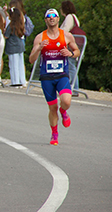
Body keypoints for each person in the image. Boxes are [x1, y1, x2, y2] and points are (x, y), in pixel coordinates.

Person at [29, 9, 80, 145]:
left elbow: (77, 51)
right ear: (45, 20)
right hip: (46, 77)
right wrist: (39, 49)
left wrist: (70, 54)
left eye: (54, 16)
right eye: (48, 16)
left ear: (58, 19)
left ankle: (63, 111)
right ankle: (54, 134)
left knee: (66, 101)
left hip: (62, 75)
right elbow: (31, 59)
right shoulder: (40, 38)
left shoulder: (67, 36)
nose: (51, 18)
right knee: (52, 108)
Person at [60, 0, 81, 95]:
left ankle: (72, 88)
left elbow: (65, 30)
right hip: (75, 44)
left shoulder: (69, 17)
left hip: (69, 45)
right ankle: (75, 88)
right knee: (72, 66)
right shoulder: (74, 17)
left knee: (70, 66)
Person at [4, 7, 27, 87]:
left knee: (13, 64)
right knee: (20, 64)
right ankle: (22, 81)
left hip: (12, 47)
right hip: (20, 46)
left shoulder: (10, 26)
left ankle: (15, 81)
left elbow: (6, 36)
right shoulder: (20, 24)